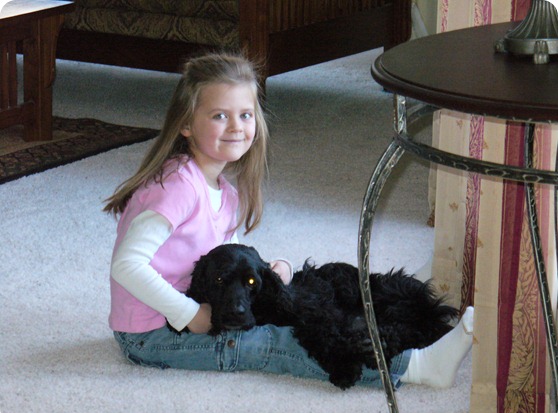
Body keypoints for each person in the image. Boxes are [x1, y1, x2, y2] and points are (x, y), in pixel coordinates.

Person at [103, 52, 474, 389]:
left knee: (299, 302)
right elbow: (127, 264)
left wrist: (269, 269)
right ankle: (418, 368)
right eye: (219, 115)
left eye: (245, 115)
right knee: (271, 343)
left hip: (197, 306)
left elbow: (227, 259)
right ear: (185, 124)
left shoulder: (223, 191)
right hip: (151, 334)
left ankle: (404, 300)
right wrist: (189, 314)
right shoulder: (177, 188)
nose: (236, 127)